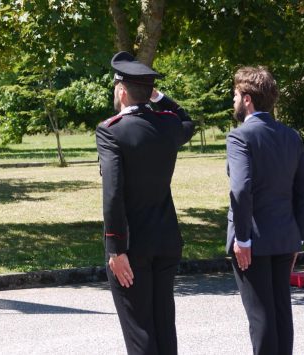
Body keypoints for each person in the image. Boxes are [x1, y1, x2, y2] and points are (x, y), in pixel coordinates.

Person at [96, 51, 195, 355]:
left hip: (132, 245)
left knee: (140, 332)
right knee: (164, 328)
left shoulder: (111, 130)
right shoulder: (166, 125)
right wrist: (160, 97)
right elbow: (187, 120)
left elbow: (113, 192)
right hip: (166, 240)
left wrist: (116, 248)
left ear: (121, 91)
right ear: (148, 92)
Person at [226, 66, 304, 355]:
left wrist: (243, 238)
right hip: (284, 237)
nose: (234, 100)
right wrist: (298, 236)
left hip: (253, 241)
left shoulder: (240, 137)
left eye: (236, 95)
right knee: (280, 314)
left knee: (260, 317)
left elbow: (241, 189)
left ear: (248, 99)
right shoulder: (290, 135)